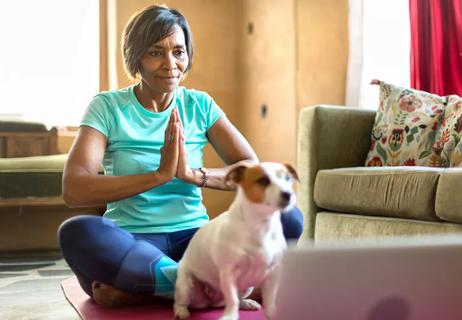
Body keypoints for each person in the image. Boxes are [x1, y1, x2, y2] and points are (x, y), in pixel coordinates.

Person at [58, 4, 303, 307]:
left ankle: (149, 289)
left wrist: (193, 175)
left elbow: (252, 169)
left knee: (287, 215)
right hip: (133, 241)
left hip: (198, 240)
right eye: (155, 52)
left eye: (178, 51)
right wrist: (158, 176)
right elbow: (74, 188)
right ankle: (199, 284)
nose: (170, 63)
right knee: (77, 233)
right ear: (135, 58)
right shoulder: (107, 107)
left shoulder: (198, 105)